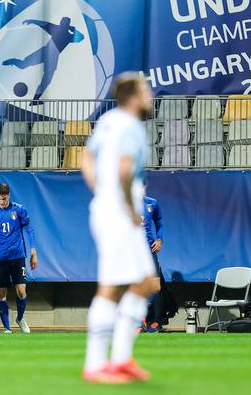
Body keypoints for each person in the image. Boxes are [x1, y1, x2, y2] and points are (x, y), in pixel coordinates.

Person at [80, 72, 155, 383]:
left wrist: (101, 191)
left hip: (109, 206)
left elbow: (86, 157)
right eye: (146, 89)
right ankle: (96, 365)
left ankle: (121, 359)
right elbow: (125, 167)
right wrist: (124, 202)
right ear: (134, 96)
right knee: (111, 287)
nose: (150, 95)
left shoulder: (109, 120)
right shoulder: (130, 125)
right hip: (121, 210)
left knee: (145, 282)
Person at [0, 183, 36, 334]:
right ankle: (7, 327)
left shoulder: (18, 209)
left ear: (9, 196)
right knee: (1, 293)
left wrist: (33, 250)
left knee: (21, 291)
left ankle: (20, 318)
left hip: (18, 257)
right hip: (0, 259)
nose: (2, 202)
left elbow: (28, 229)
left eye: (4, 199)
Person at [2, 17, 84, 103]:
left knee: (42, 77)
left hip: (50, 53)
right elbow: (43, 24)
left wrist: (32, 20)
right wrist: (73, 29)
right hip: (49, 52)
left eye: (64, 23)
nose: (62, 24)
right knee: (40, 76)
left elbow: (81, 38)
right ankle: (35, 99)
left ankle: (35, 100)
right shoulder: (62, 32)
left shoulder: (64, 33)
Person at [141, 194, 165, 333]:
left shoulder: (152, 203)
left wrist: (160, 239)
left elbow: (159, 223)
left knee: (156, 287)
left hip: (149, 250)